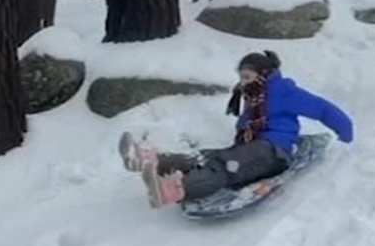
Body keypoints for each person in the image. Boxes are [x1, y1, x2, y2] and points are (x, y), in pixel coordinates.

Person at [119, 50, 353, 209]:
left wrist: (346, 131)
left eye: (247, 77)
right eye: (241, 77)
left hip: (274, 152)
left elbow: (322, 109)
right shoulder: (254, 95)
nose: (243, 82)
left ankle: (176, 189)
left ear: (263, 75)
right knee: (207, 158)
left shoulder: (284, 92)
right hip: (251, 149)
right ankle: (152, 161)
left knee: (224, 167)